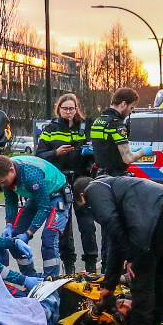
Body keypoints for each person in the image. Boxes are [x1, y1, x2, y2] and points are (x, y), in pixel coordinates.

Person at [76, 173, 163, 325]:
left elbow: (111, 223)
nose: (90, 211)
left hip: (162, 215)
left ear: (82, 196)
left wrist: (132, 256)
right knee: (158, 275)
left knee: (140, 275)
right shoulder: (114, 187)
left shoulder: (93, 189)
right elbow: (116, 242)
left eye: (85, 207)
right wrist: (109, 285)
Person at [36, 93, 99, 273]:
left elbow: (97, 151)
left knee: (87, 224)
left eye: (72, 109)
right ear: (59, 109)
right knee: (64, 226)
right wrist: (56, 152)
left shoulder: (86, 127)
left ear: (76, 109)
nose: (69, 112)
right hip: (60, 180)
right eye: (65, 109)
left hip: (82, 179)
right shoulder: (50, 129)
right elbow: (40, 155)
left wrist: (89, 152)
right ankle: (69, 265)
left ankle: (91, 264)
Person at [0, 153, 69, 278]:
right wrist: (9, 225)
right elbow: (11, 202)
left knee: (49, 238)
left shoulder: (31, 175)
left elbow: (44, 207)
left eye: (3, 181)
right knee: (14, 238)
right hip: (35, 195)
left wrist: (28, 233)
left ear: (12, 170)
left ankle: (51, 281)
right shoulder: (5, 175)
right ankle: (31, 278)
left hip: (56, 194)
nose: (2, 185)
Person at [89, 88, 140, 177]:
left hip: (99, 175)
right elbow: (128, 158)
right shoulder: (116, 124)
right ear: (124, 104)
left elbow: (106, 147)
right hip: (114, 176)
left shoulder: (98, 121)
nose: (131, 111)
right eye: (131, 107)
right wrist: (143, 151)